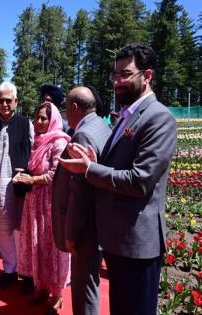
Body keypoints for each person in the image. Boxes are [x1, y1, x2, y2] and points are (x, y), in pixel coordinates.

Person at [59, 43, 177, 315]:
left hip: (137, 246)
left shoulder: (159, 118)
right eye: (115, 75)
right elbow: (120, 167)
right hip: (118, 240)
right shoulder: (127, 116)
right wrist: (96, 162)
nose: (117, 82)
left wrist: (90, 169)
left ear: (147, 76)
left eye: (125, 74)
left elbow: (140, 180)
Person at [53, 86, 111, 315]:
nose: (67, 114)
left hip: (85, 229)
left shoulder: (83, 134)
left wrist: (71, 234)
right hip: (99, 222)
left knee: (83, 289)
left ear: (74, 107)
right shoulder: (101, 126)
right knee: (90, 284)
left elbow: (80, 191)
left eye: (67, 109)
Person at [15, 102, 71, 315]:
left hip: (50, 203)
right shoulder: (37, 141)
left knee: (52, 248)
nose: (39, 122)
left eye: (44, 118)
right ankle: (42, 287)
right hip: (34, 201)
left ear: (53, 120)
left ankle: (57, 295)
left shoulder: (58, 142)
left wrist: (32, 179)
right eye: (37, 118)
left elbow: (55, 174)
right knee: (37, 245)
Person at [0, 81, 34, 288]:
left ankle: (26, 271)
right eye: (0, 100)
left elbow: (33, 150)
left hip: (18, 186)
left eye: (7, 100)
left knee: (20, 230)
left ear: (16, 102)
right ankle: (10, 268)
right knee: (2, 231)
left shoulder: (24, 123)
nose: (4, 104)